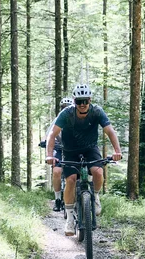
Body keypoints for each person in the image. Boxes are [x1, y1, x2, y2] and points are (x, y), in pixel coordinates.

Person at [45, 84, 122, 236]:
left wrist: (117, 151)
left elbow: (110, 131)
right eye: (79, 101)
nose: (82, 105)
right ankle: (69, 219)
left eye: (85, 101)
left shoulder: (97, 111)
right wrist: (49, 155)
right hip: (70, 150)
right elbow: (52, 135)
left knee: (98, 173)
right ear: (74, 101)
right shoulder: (67, 113)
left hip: (90, 148)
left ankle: (96, 196)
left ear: (90, 100)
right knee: (71, 180)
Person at [43, 97, 73, 212]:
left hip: (73, 149)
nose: (66, 109)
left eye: (69, 107)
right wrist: (44, 142)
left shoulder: (78, 119)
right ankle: (57, 199)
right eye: (64, 107)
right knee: (57, 171)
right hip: (59, 149)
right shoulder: (57, 120)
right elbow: (48, 134)